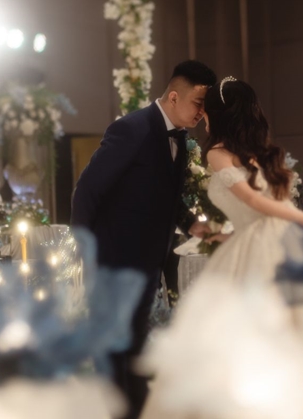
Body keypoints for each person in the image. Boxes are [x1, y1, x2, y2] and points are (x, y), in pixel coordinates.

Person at [139, 77, 303, 418]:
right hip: (273, 238)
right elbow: (259, 212)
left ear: (219, 115)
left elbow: (254, 201)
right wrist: (224, 236)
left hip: (272, 240)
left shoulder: (217, 153)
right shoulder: (261, 154)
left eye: (206, 111)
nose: (202, 117)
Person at [71, 60, 217, 419]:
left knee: (134, 349)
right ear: (174, 96)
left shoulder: (180, 139)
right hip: (113, 261)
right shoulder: (131, 129)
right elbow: (86, 191)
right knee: (112, 352)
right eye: (198, 103)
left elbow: (167, 197)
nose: (201, 113)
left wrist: (192, 224)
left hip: (148, 263)